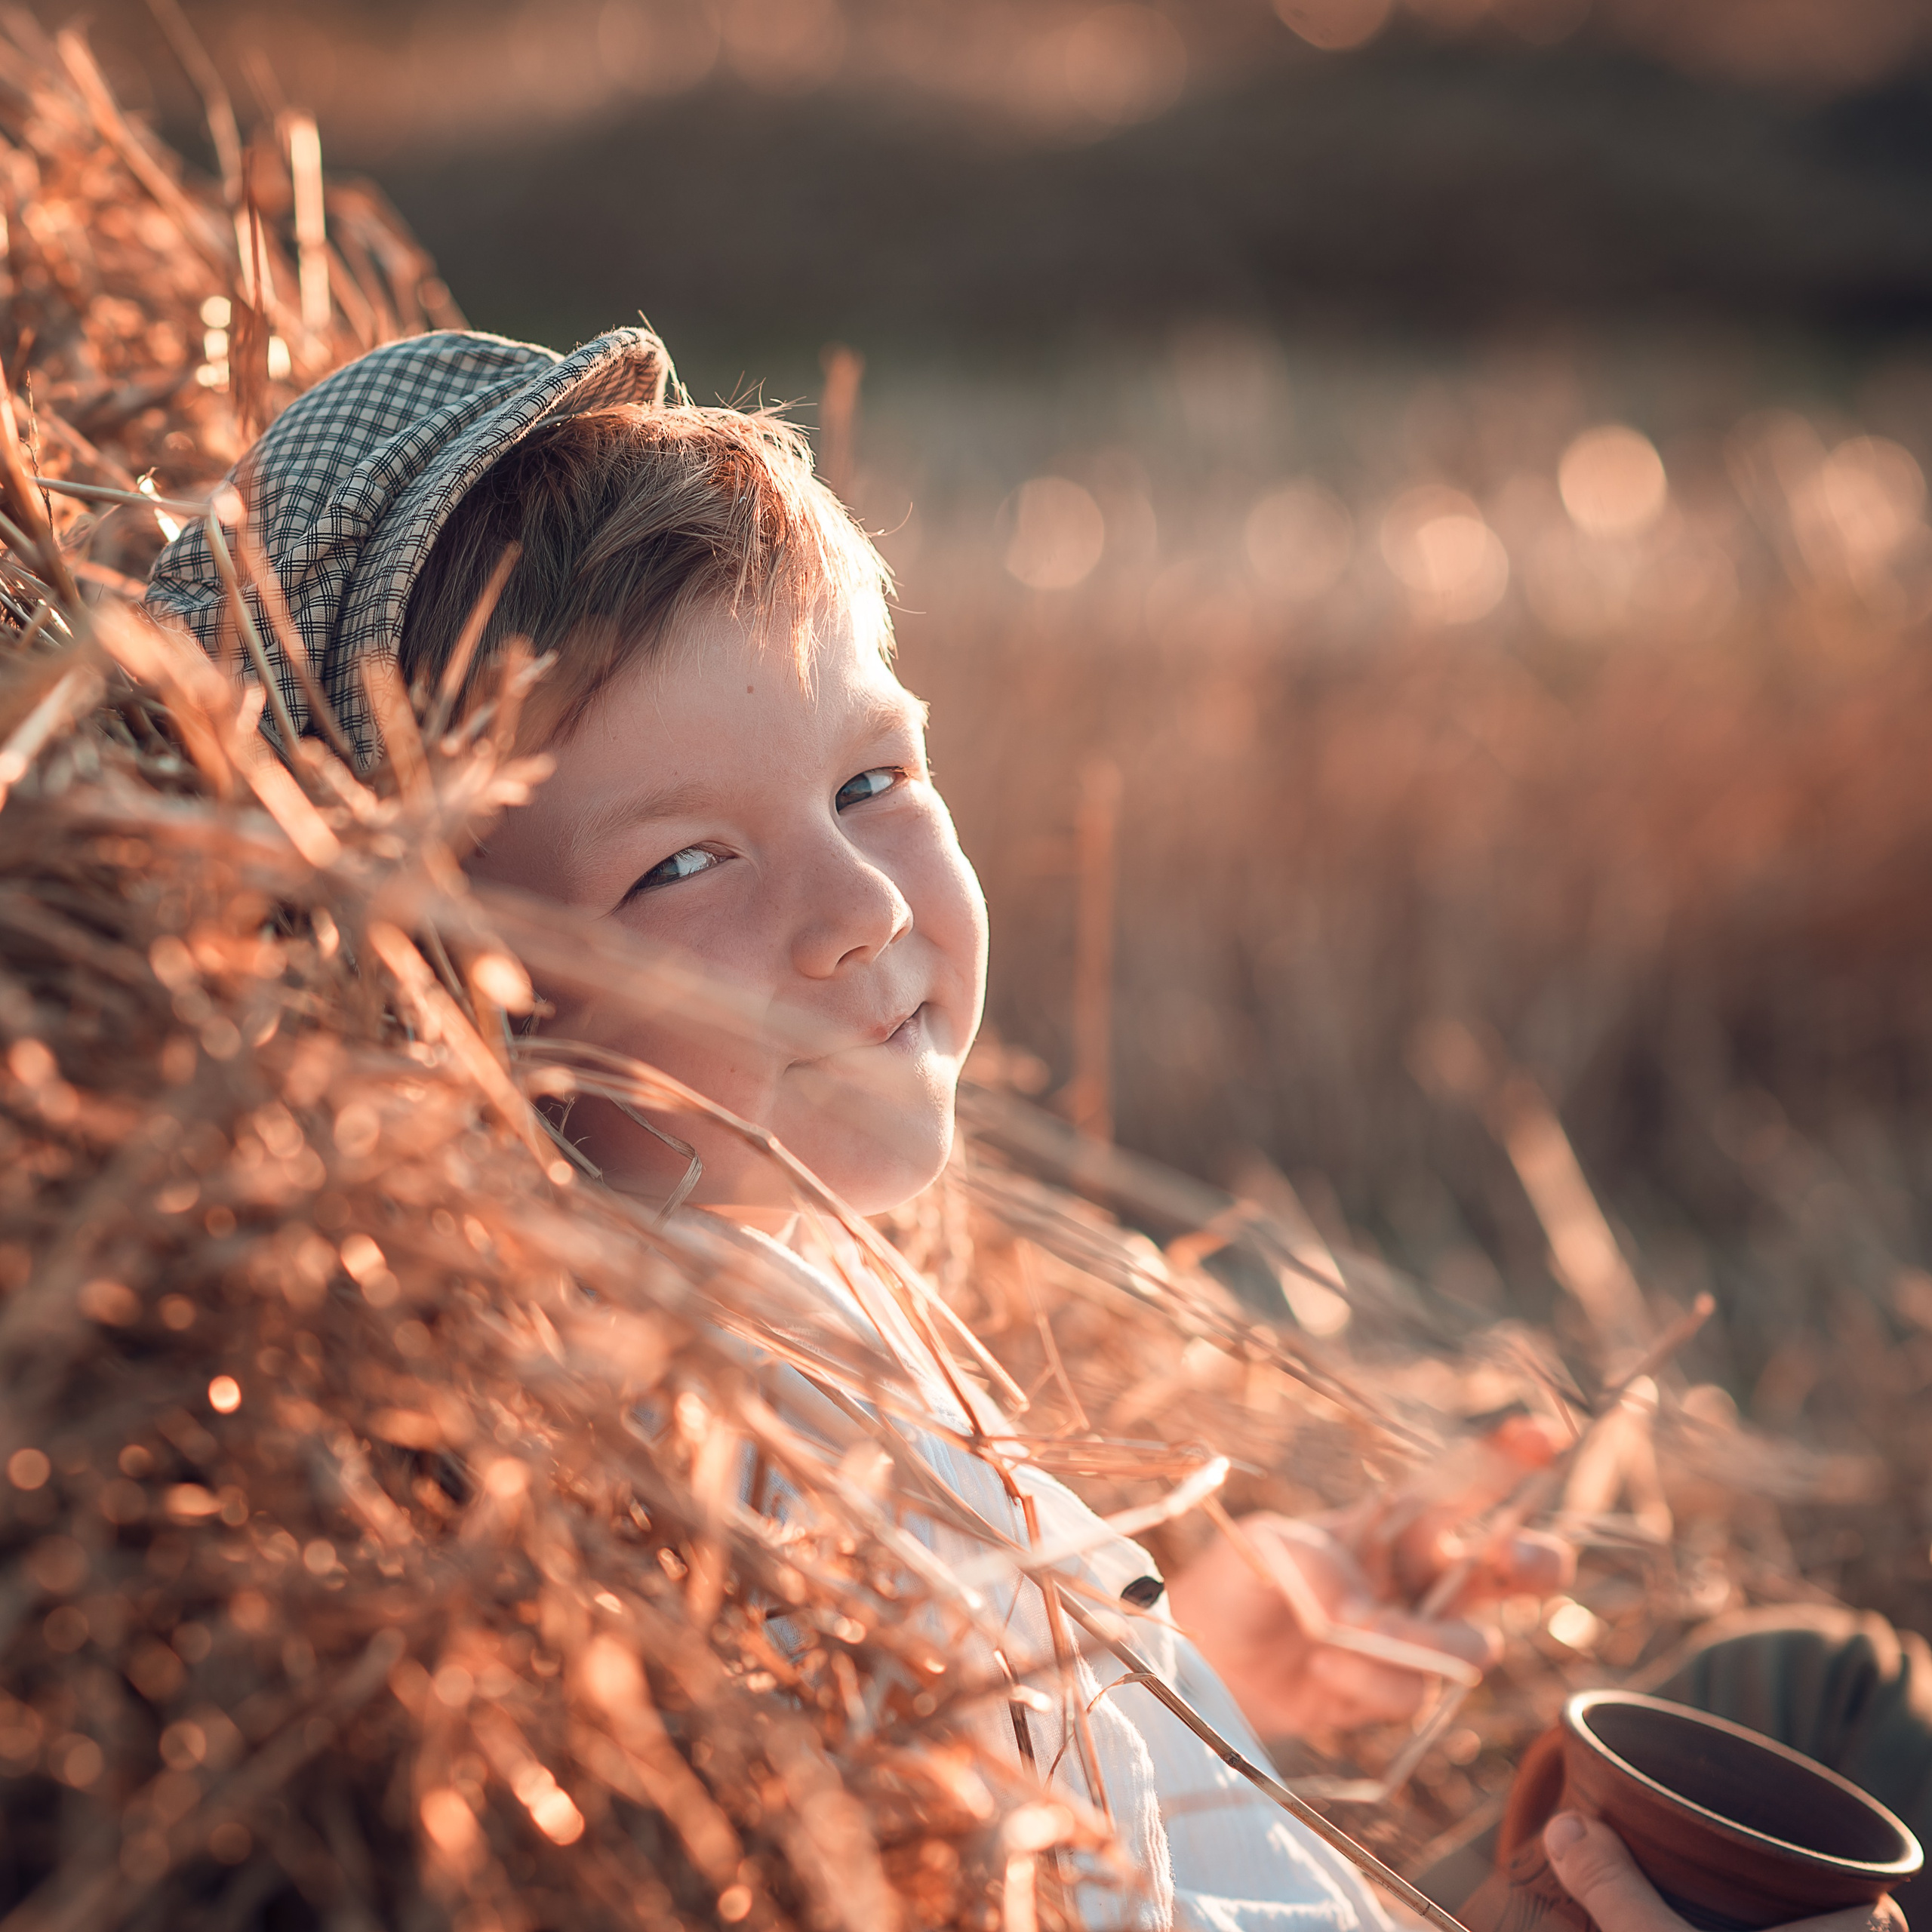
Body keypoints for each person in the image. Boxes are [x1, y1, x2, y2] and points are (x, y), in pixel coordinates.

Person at [146, 325, 1927, 1932]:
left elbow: (1059, 1795)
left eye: (871, 780)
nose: (859, 905)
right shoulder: (678, 1451)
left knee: (1802, 1691)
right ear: (448, 1003)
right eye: (681, 862)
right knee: (1839, 1712)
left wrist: (1202, 1677)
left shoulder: (766, 1279)